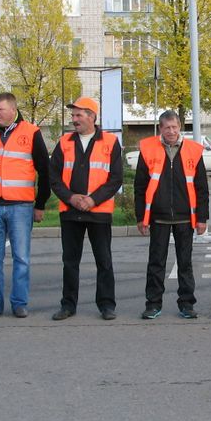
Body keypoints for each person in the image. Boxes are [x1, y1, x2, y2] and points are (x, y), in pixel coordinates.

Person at [0, 92, 50, 319]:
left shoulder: (31, 132)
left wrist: (40, 204)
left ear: (13, 109)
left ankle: (19, 303)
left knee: (21, 258)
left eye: (0, 109)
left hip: (21, 205)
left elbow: (44, 170)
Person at [50, 97, 123, 321]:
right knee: (70, 261)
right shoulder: (64, 142)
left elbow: (115, 178)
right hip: (71, 212)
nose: (74, 120)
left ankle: (107, 305)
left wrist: (93, 200)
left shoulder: (110, 142)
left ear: (92, 116)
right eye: (73, 116)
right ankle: (68, 305)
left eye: (78, 115)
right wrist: (71, 198)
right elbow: (54, 177)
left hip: (98, 212)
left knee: (104, 260)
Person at [134, 110, 209, 320]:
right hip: (159, 217)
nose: (171, 131)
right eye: (167, 127)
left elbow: (202, 187)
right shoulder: (148, 149)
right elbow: (140, 187)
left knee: (185, 263)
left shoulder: (194, 150)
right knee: (156, 263)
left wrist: (202, 218)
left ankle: (186, 304)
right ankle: (153, 304)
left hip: (186, 217)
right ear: (160, 129)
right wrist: (141, 217)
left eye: (175, 127)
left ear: (180, 127)